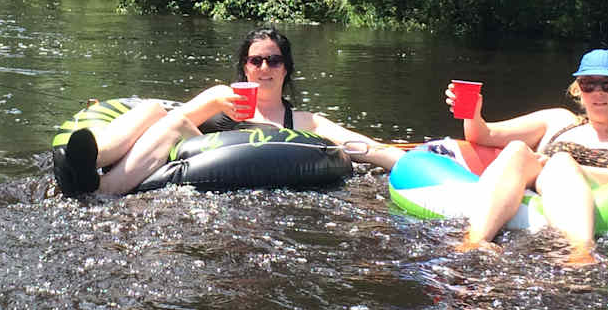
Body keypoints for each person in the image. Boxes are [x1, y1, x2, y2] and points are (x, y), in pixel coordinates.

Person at [53, 27, 406, 197]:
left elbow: (363, 148)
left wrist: (406, 162)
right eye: (256, 60)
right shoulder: (223, 96)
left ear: (286, 69)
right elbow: (171, 118)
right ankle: (88, 156)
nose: (264, 67)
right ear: (246, 67)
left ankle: (101, 189)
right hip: (190, 148)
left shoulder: (303, 122)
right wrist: (217, 106)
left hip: (236, 165)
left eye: (274, 60)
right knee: (154, 108)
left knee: (173, 122)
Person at [447, 48, 608, 265]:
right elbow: (485, 135)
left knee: (561, 162)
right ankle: (476, 240)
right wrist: (471, 112)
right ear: (578, 90)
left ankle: (581, 251)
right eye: (588, 84)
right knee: (516, 149)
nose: (598, 92)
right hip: (538, 185)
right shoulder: (558, 120)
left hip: (590, 196)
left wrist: (573, 168)